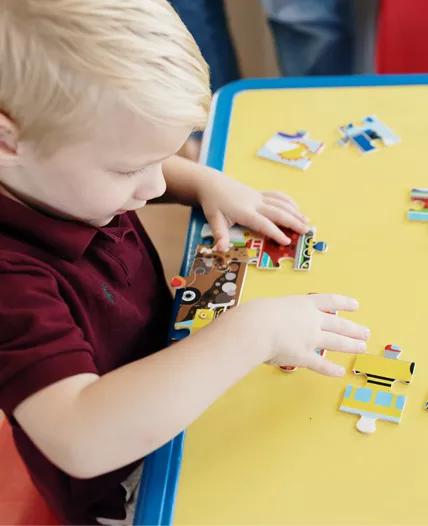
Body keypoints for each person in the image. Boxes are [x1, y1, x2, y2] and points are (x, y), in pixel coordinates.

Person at [0, 1, 370, 524]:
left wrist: (203, 181)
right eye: (130, 170)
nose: (154, 188)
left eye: (162, 160)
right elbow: (80, 438)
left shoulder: (52, 168)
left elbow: (128, 151)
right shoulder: (9, 281)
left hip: (180, 378)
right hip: (126, 483)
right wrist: (252, 332)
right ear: (6, 140)